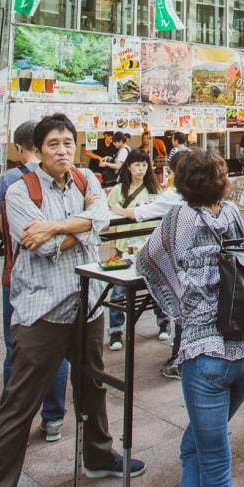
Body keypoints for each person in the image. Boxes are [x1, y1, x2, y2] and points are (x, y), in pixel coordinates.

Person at [0, 114, 140, 487]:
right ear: (37, 150)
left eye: (68, 142)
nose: (63, 150)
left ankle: (99, 457)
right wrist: (80, 229)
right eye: (53, 144)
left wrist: (56, 225)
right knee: (19, 405)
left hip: (87, 304)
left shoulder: (87, 178)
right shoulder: (20, 191)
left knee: (93, 385)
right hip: (42, 311)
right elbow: (48, 246)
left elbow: (102, 219)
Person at [136, 149, 244, 487]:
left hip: (204, 353)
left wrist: (181, 301)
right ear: (222, 181)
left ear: (181, 185)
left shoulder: (180, 218)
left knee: (215, 461)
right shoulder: (233, 213)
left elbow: (147, 260)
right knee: (193, 447)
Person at [0, 121, 70, 437]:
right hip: (63, 275)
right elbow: (89, 222)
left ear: (20, 148)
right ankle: (53, 419)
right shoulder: (72, 178)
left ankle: (14, 418)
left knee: (17, 347)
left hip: (19, 275)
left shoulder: (10, 178)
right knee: (58, 348)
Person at [105, 149, 169, 349]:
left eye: (144, 165)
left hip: (149, 245)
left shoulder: (154, 189)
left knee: (158, 287)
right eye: (137, 165)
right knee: (118, 292)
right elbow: (109, 218)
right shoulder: (118, 189)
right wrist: (112, 245)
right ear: (129, 167)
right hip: (125, 247)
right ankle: (116, 332)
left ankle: (164, 323)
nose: (141, 169)